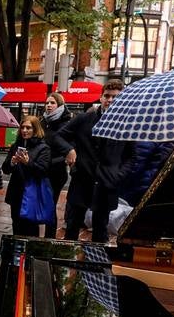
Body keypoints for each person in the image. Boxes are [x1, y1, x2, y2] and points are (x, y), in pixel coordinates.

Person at [56, 78, 133, 241]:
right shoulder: (84, 119)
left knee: (100, 230)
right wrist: (69, 150)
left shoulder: (126, 125)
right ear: (101, 98)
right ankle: (66, 263)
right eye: (107, 96)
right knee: (72, 227)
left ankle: (95, 264)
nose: (110, 100)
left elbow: (131, 156)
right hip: (82, 183)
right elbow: (58, 136)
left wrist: (117, 175)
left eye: (115, 97)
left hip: (106, 186)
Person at [4, 115, 53, 238]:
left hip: (32, 194)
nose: (24, 130)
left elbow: (43, 170)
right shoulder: (16, 146)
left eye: (28, 128)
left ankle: (28, 255)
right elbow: (5, 169)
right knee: (16, 225)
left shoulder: (43, 148)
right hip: (16, 193)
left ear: (35, 129)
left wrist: (28, 163)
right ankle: (17, 253)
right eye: (22, 127)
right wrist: (12, 162)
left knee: (30, 228)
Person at [41, 92, 73, 232]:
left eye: (52, 103)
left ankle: (49, 236)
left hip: (56, 171)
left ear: (60, 105)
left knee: (50, 204)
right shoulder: (43, 122)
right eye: (47, 103)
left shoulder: (66, 123)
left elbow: (69, 148)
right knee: (42, 203)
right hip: (42, 169)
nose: (49, 105)